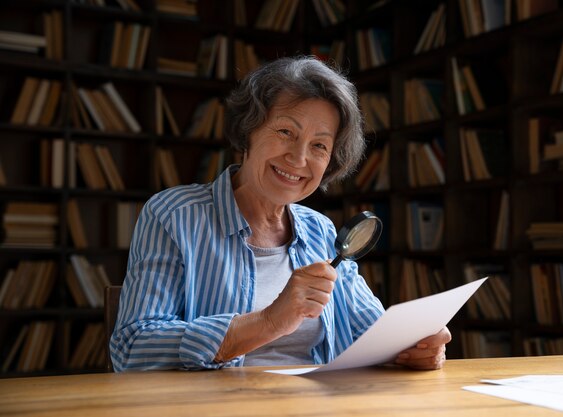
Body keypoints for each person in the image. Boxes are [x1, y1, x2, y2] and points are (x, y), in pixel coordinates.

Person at [109, 56, 451, 372]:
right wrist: (269, 322)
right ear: (248, 131)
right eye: (286, 132)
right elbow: (132, 348)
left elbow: (374, 334)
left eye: (319, 145)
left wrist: (414, 347)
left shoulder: (320, 231)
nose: (299, 159)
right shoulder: (173, 216)